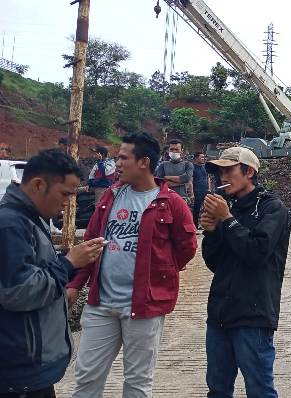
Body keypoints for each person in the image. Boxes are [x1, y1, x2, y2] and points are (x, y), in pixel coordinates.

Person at [67, 132, 197, 397]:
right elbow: (90, 243)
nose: (118, 163)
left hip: (144, 307)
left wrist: (162, 272)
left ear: (144, 162)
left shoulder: (171, 203)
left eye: (124, 158)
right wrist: (75, 285)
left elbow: (187, 248)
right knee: (86, 376)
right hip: (101, 304)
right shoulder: (110, 198)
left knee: (138, 381)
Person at [0, 149, 106, 398]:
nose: (69, 202)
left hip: (29, 368)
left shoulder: (30, 219)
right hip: (19, 371)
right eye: (65, 193)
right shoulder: (10, 225)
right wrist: (68, 264)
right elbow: (18, 291)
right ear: (38, 185)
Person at [200, 146, 291, 398]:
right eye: (219, 173)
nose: (222, 178)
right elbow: (215, 263)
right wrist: (210, 231)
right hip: (219, 314)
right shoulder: (229, 207)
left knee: (259, 390)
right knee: (217, 390)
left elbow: (256, 253)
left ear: (249, 171)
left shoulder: (273, 209)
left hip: (254, 315)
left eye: (228, 170)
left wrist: (227, 220)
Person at [154, 139, 194, 206]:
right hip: (166, 198)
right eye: (172, 149)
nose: (174, 151)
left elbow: (186, 178)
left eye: (176, 149)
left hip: (182, 198)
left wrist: (167, 177)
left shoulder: (188, 164)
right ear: (168, 150)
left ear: (182, 150)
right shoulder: (163, 165)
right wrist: (182, 182)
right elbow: (160, 183)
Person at [192, 151, 211, 228]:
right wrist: (192, 193)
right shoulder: (192, 167)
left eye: (204, 157)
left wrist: (209, 188)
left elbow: (208, 177)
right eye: (201, 157)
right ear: (196, 158)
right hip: (197, 190)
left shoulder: (204, 167)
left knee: (208, 208)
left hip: (206, 190)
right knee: (197, 209)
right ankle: (195, 225)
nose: (203, 159)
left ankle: (205, 225)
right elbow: (191, 180)